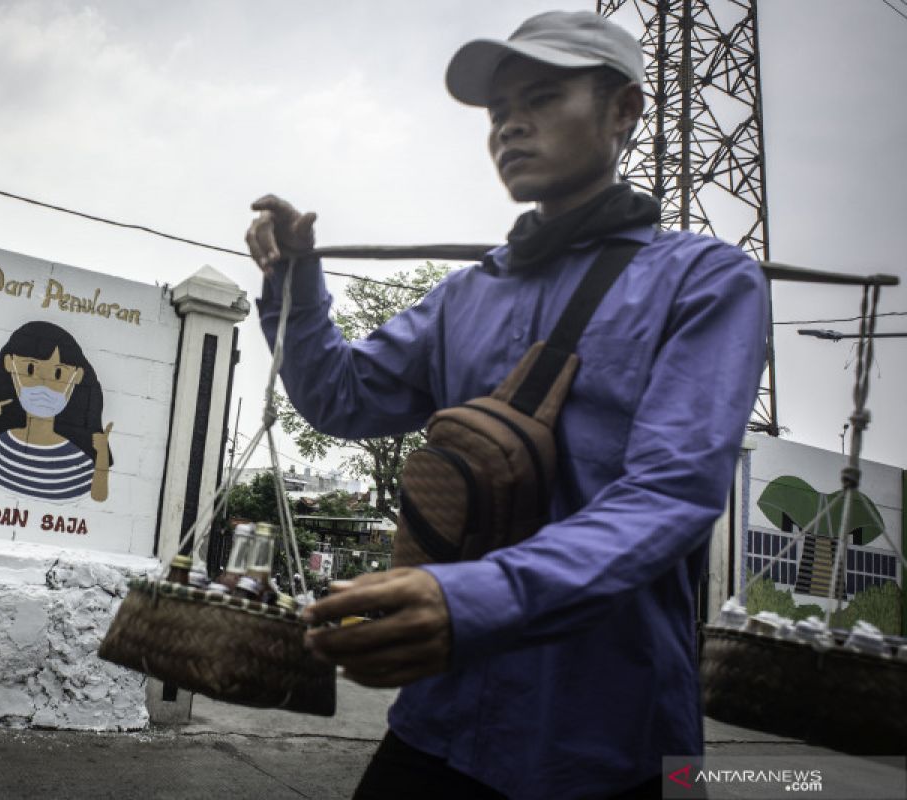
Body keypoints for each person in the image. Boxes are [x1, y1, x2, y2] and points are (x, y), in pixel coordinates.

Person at [245, 10, 768, 800]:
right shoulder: (467, 294)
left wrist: (472, 600)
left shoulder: (708, 281)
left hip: (613, 739)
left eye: (544, 98)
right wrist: (295, 281)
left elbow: (672, 493)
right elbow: (339, 398)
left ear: (624, 110)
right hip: (439, 717)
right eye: (497, 112)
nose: (509, 126)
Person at [0, 321, 113, 502]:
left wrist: (102, 454)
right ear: (10, 364)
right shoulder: (0, 444)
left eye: (58, 373)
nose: (43, 383)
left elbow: (98, 496)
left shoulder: (76, 460)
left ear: (77, 376)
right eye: (30, 369)